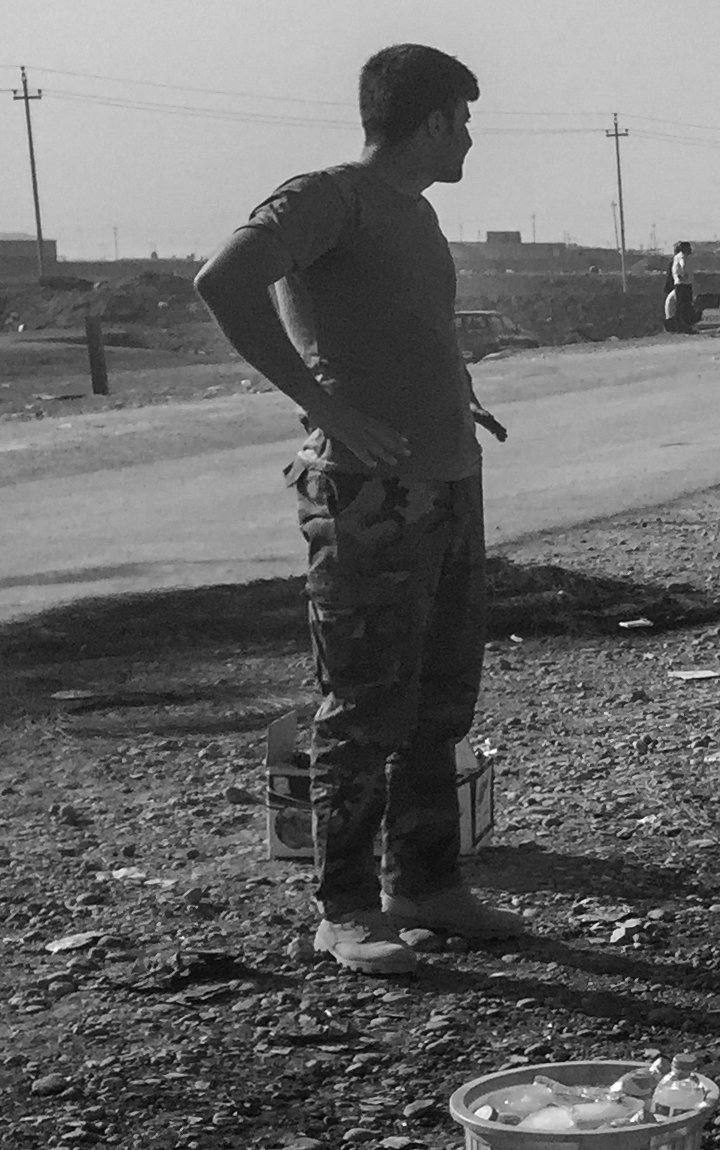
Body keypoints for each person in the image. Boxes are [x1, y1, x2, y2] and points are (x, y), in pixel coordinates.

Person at [191, 43, 525, 975]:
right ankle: (343, 909)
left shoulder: (411, 214)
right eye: (461, 117)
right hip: (368, 498)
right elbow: (224, 280)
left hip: (447, 482)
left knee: (437, 701)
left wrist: (450, 395)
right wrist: (328, 407)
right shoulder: (326, 197)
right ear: (428, 122)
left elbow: (390, 330)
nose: (469, 135)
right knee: (364, 707)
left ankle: (425, 885)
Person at [664, 241, 695, 333]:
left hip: (680, 285)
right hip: (684, 285)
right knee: (685, 306)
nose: (690, 250)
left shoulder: (676, 258)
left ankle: (682, 326)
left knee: (682, 306)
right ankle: (685, 327)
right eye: (689, 248)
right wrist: (683, 274)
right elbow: (683, 265)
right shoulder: (682, 257)